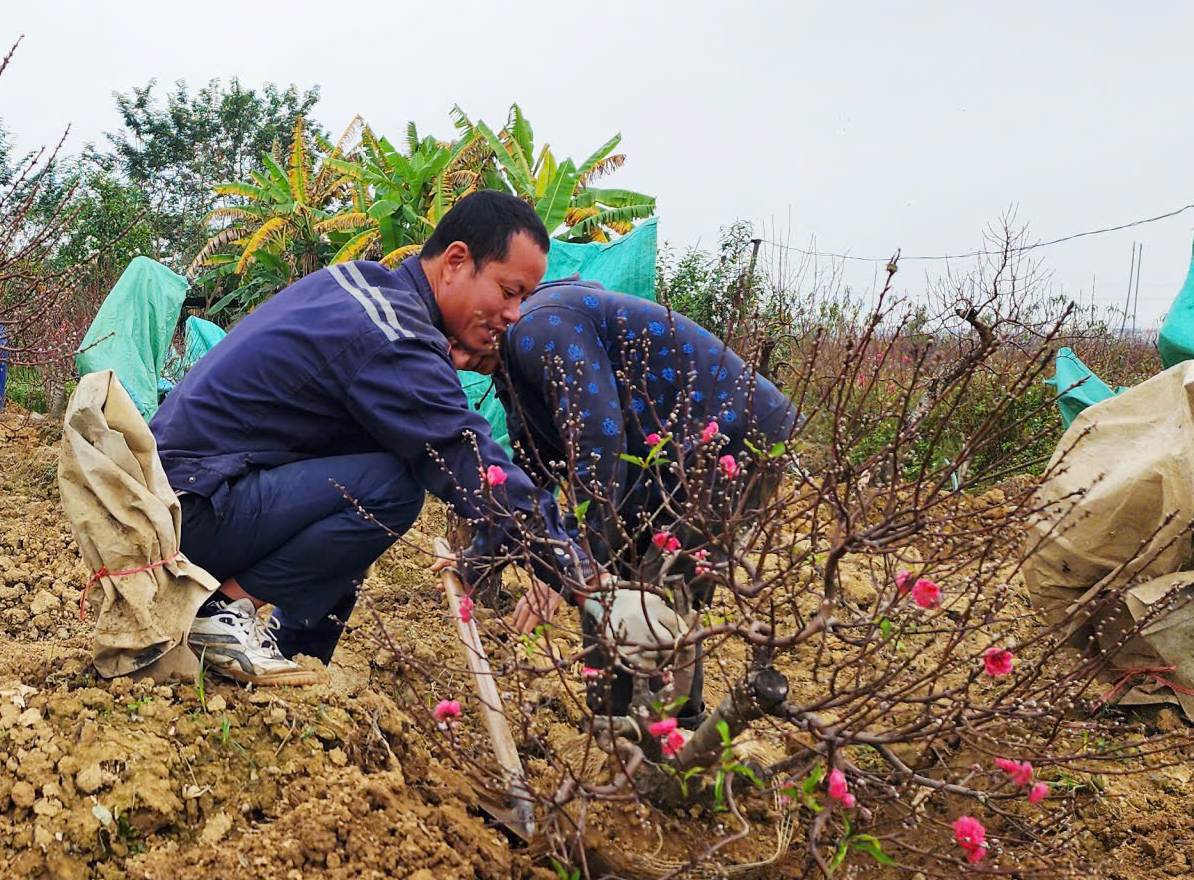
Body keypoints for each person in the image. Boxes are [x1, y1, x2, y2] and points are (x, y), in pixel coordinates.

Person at [151, 190, 609, 679]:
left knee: (374, 470)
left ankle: (295, 654)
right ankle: (221, 612)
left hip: (175, 499)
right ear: (456, 261)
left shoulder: (362, 287)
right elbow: (464, 453)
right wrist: (576, 570)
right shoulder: (393, 334)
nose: (516, 313)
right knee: (391, 487)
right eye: (508, 290)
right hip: (187, 510)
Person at [481, 279, 798, 719]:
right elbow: (536, 470)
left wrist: (565, 571)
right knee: (608, 586)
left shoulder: (537, 328)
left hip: (728, 439)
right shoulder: (511, 366)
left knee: (658, 586)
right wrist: (484, 553)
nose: (454, 358)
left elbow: (600, 447)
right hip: (657, 461)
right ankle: (615, 727)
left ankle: (675, 736)